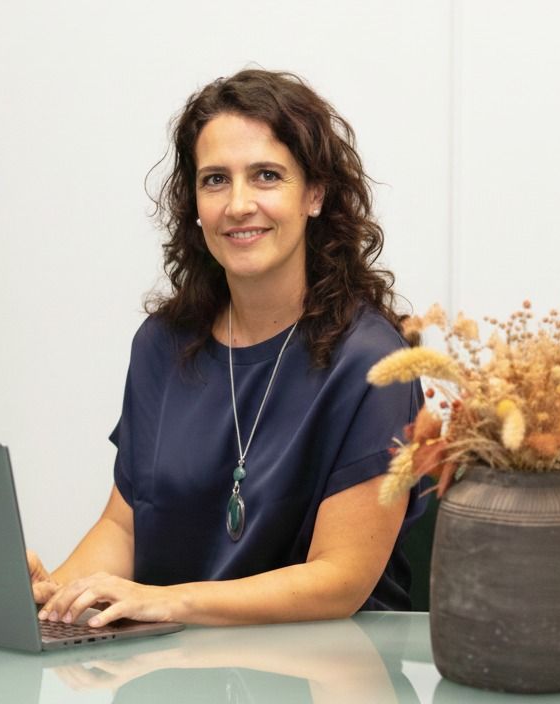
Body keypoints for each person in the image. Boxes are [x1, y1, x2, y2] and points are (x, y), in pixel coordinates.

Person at [28, 69, 424, 628]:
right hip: (178, 659)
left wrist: (169, 602)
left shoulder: (373, 363)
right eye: (215, 180)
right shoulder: (162, 345)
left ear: (314, 194)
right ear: (194, 202)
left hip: (324, 663)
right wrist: (50, 598)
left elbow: (341, 579)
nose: (238, 204)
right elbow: (123, 528)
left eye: (266, 176)